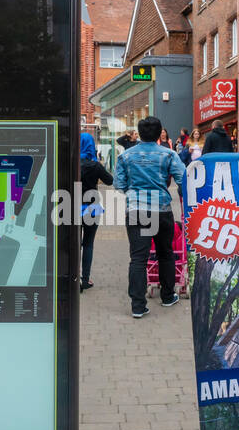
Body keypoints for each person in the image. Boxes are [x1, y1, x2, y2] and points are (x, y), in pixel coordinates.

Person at [114, 115, 185, 319]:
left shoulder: (126, 156)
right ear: (159, 133)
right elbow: (183, 179)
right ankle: (168, 296)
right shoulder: (169, 155)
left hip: (136, 209)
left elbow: (119, 185)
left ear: (140, 132)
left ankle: (138, 305)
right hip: (162, 209)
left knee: (138, 258)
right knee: (166, 253)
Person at [79, 132, 113, 293]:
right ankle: (85, 279)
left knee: (73, 244)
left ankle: (72, 277)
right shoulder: (95, 165)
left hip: (70, 207)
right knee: (88, 244)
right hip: (92, 208)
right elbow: (110, 180)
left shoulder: (70, 162)